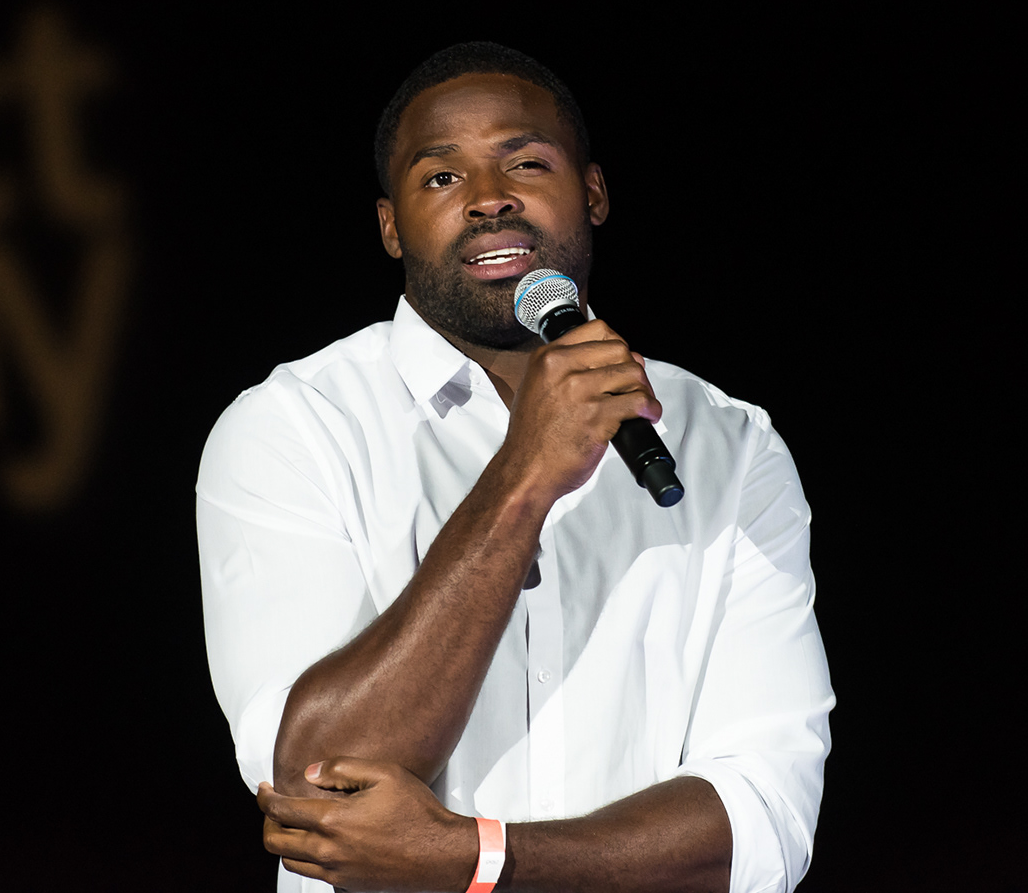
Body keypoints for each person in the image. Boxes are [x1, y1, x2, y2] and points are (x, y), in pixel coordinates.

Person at [195, 43, 832, 892]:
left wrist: (477, 857)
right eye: (440, 177)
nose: (489, 197)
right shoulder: (292, 430)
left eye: (525, 162)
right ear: (390, 226)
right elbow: (315, 788)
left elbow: (763, 824)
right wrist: (524, 475)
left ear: (594, 192)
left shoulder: (730, 442)